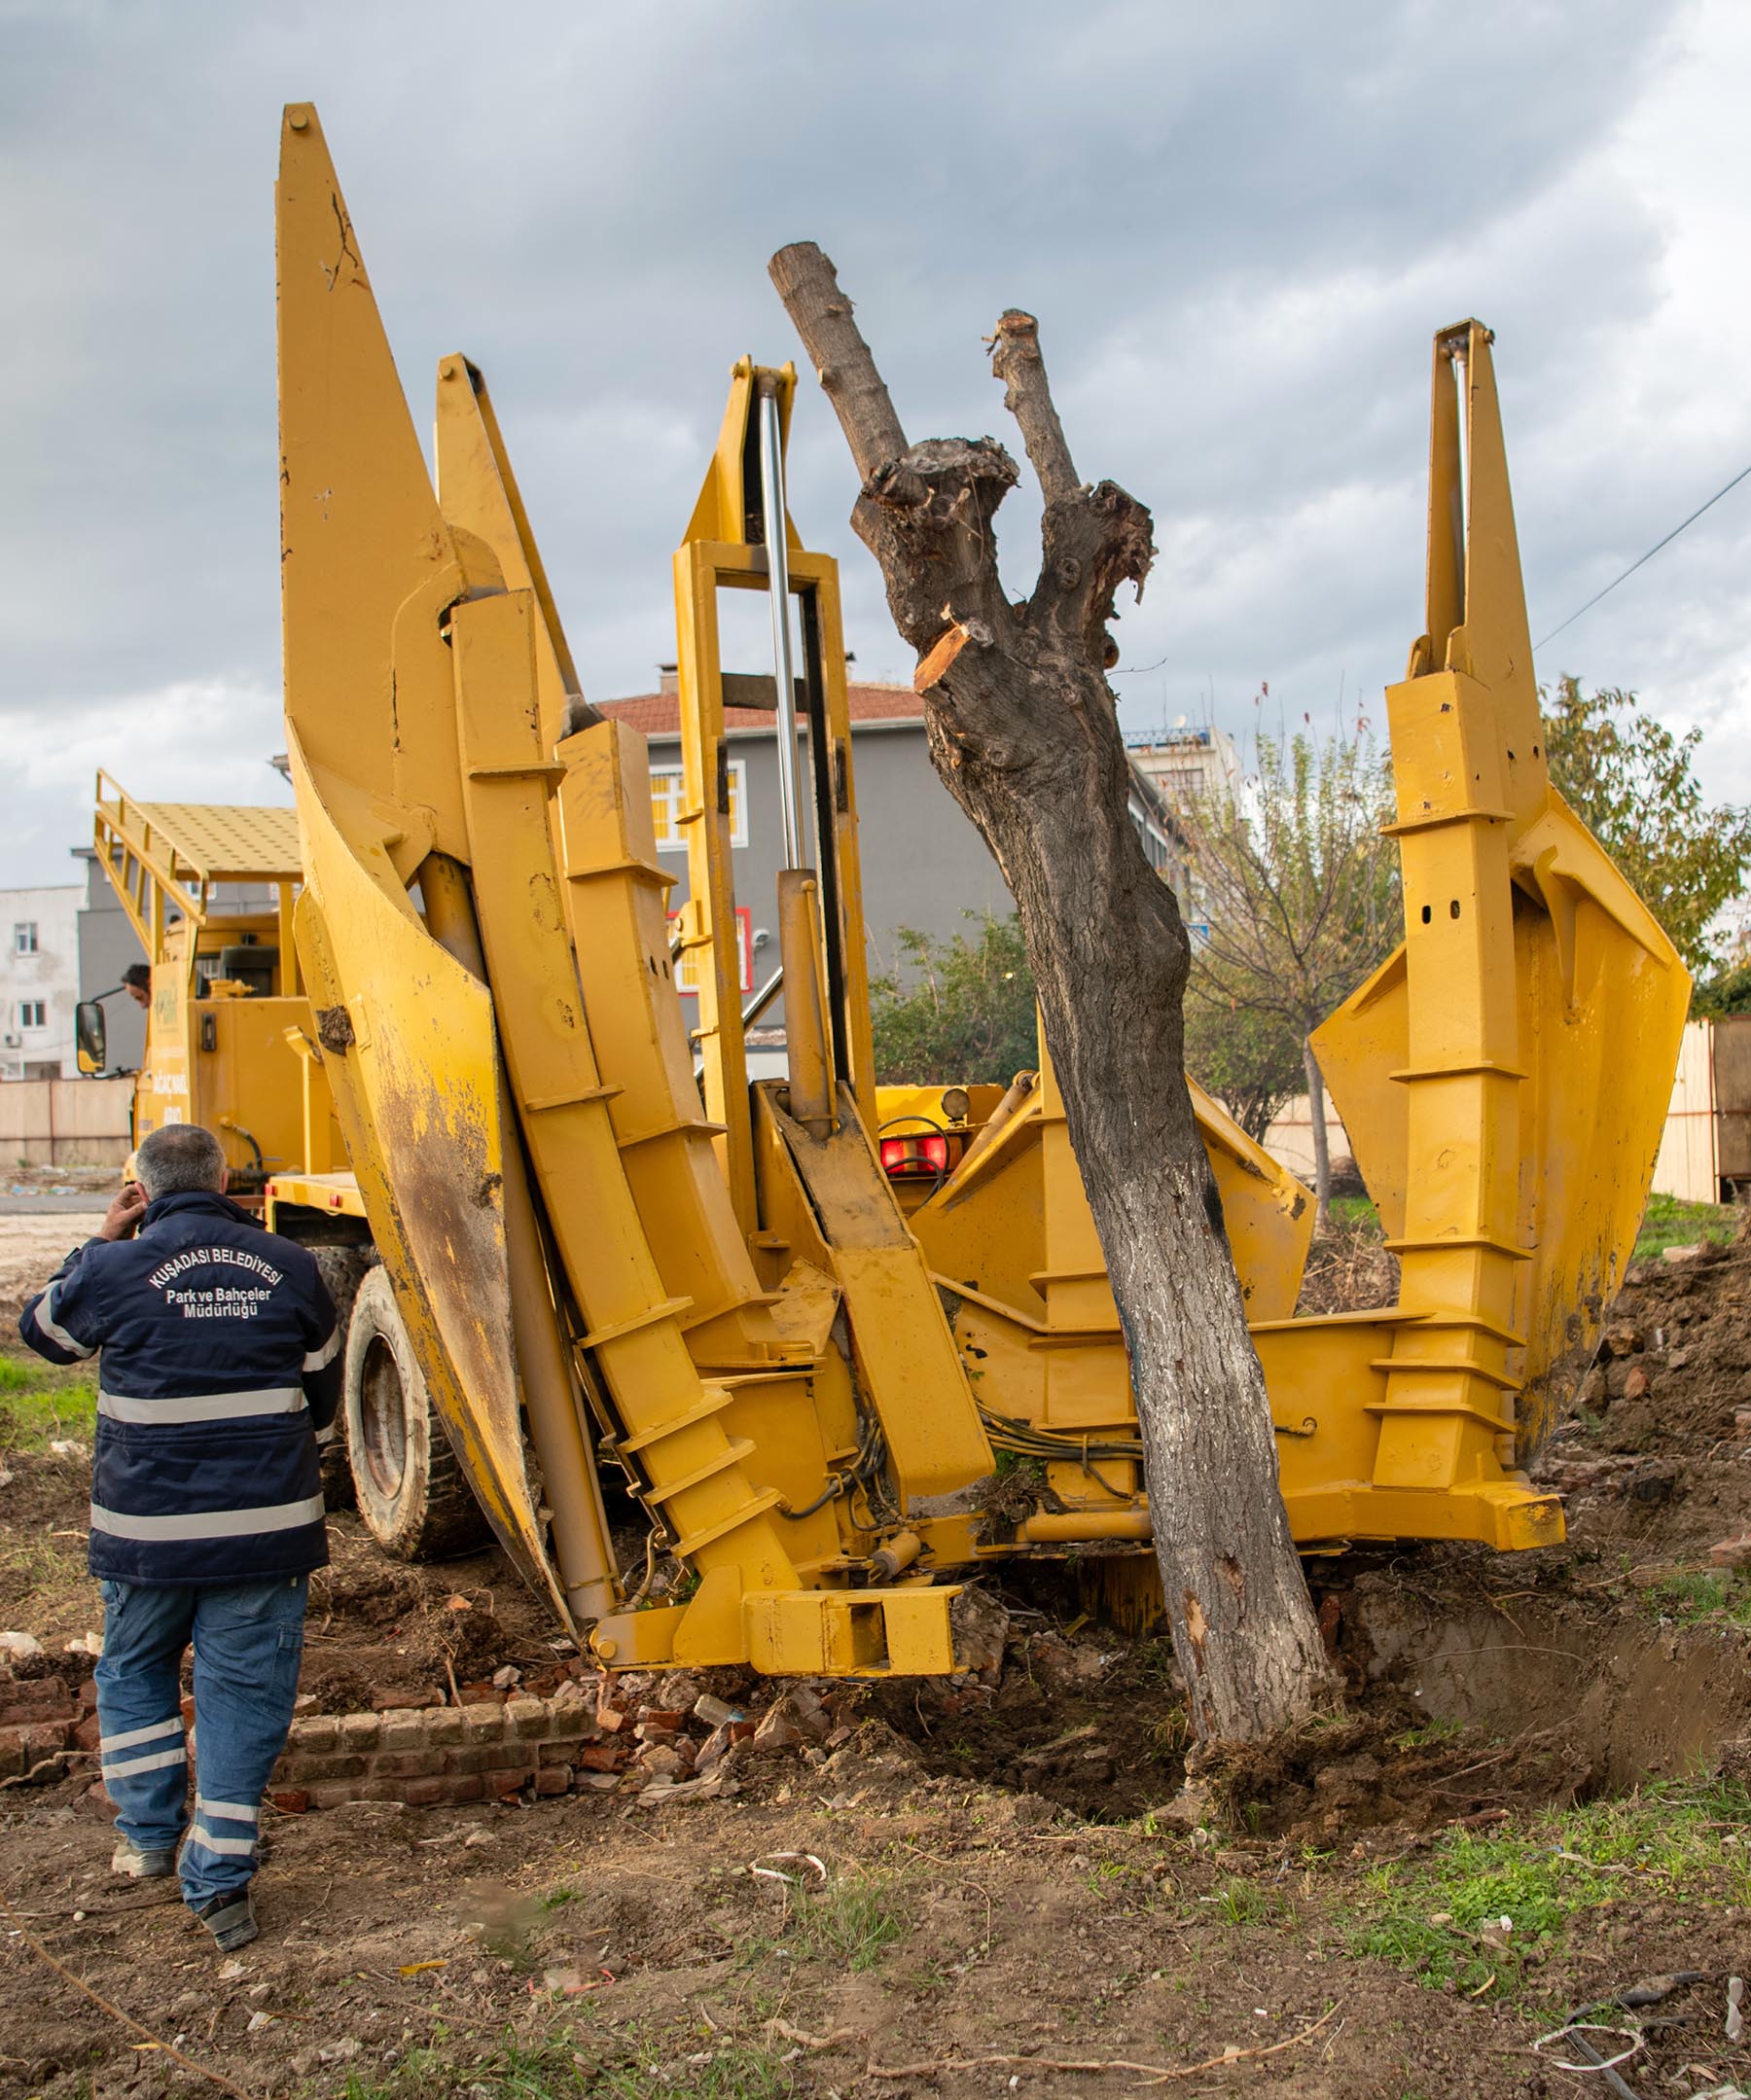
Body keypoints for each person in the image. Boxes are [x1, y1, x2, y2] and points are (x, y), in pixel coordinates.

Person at [18, 1125, 339, 1953]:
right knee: (244, 1697)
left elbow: (45, 1336)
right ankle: (221, 1881)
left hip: (146, 1536)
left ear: (141, 1185)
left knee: (133, 1670)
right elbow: (324, 1394)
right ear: (226, 1176)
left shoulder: (110, 1267)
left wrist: (100, 1236)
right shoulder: (290, 1266)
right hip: (263, 1534)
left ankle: (150, 1838)